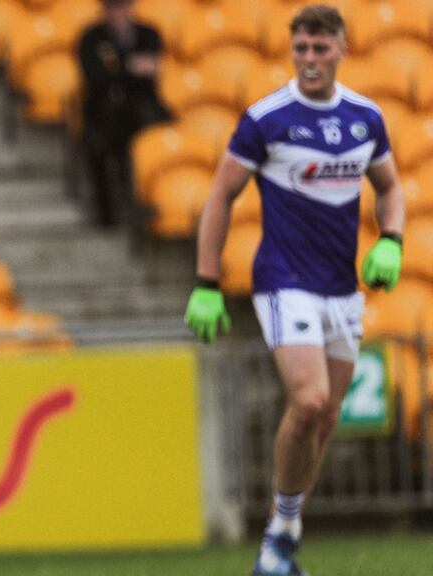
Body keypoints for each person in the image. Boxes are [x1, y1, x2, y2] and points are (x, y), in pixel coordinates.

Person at [183, 5, 405, 575]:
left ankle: (281, 539)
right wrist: (206, 282)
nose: (308, 60)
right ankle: (280, 532)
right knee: (307, 401)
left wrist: (392, 239)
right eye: (300, 48)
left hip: (340, 286)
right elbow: (219, 197)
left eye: (319, 48)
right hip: (284, 281)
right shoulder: (267, 119)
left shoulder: (365, 118)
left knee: (326, 415)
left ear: (342, 49)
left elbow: (389, 187)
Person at [77, 0, 171, 228]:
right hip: (103, 113)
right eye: (112, 7)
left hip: (139, 111)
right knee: (98, 143)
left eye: (122, 6)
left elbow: (152, 75)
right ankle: (107, 217)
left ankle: (149, 206)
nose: (117, 12)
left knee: (154, 139)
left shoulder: (148, 33)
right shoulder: (91, 37)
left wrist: (118, 67)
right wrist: (132, 67)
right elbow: (95, 77)